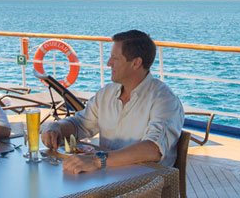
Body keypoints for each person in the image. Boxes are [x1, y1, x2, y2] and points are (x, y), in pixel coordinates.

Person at [41, 30, 184, 174]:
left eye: (114, 58)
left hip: (147, 186)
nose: (109, 63)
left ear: (136, 63)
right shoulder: (107, 93)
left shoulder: (164, 100)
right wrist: (56, 127)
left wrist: (97, 161)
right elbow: (80, 124)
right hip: (106, 177)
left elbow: (153, 149)